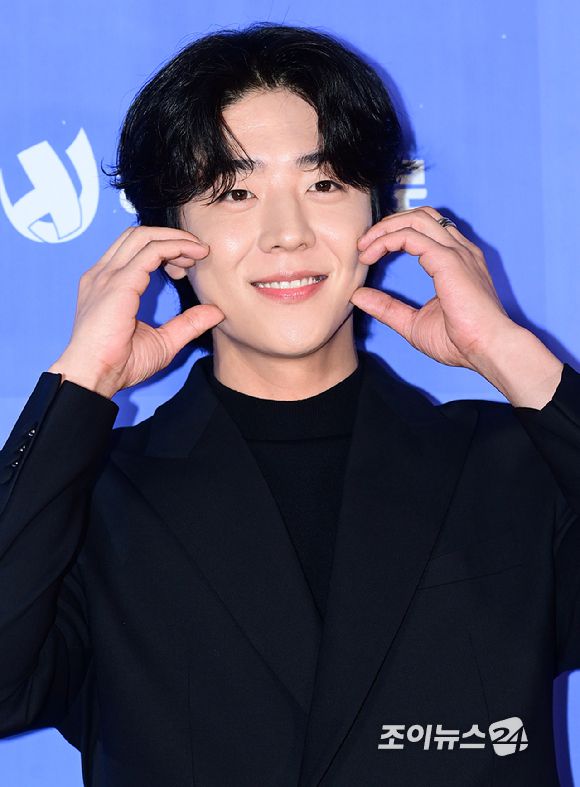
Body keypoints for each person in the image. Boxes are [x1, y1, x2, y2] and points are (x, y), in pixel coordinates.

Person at [0, 21, 577, 787]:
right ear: (168, 240)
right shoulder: (91, 500)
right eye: (235, 192)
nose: (287, 235)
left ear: (380, 213)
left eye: (324, 183)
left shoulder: (511, 465)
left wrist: (510, 352)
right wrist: (80, 382)